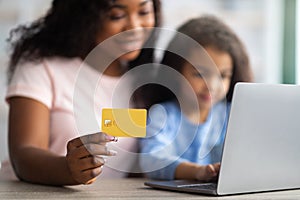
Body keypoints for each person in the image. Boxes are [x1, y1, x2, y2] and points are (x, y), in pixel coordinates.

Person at [2, 0, 161, 186]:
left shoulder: (143, 77)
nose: (134, 27)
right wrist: (68, 168)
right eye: (116, 16)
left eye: (143, 12)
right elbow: (24, 154)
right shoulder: (42, 67)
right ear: (83, 17)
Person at [139, 15, 253, 181]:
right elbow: (151, 160)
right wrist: (197, 172)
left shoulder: (232, 115)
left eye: (223, 76)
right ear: (175, 71)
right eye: (200, 74)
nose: (212, 85)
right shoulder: (163, 115)